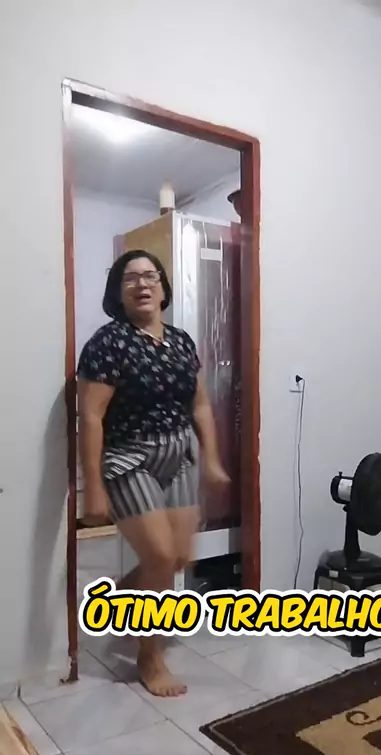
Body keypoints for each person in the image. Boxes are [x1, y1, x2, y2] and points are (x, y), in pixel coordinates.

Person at [77, 249, 229, 697]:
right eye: (130, 278)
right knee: (160, 558)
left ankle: (121, 604)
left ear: (163, 288)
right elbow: (91, 416)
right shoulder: (107, 343)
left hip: (178, 455)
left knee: (178, 558)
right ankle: (150, 656)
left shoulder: (181, 342)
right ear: (118, 292)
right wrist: (93, 489)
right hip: (129, 458)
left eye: (150, 276)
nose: (141, 284)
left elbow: (200, 405)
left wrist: (212, 459)